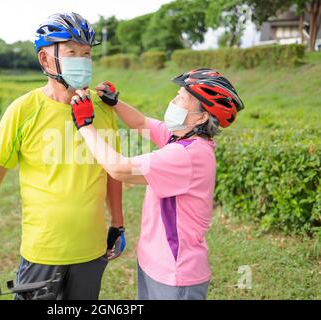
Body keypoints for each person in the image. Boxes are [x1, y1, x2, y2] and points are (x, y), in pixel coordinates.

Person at [0, 12, 126, 300]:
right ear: (45, 59)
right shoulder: (23, 109)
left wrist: (117, 224)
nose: (82, 60)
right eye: (72, 53)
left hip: (93, 251)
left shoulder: (103, 109)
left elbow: (112, 170)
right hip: (43, 250)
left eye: (86, 54)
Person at [70, 68, 244, 300]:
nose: (173, 101)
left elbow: (118, 168)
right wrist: (116, 103)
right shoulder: (183, 137)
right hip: (155, 262)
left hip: (175, 274)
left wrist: (85, 125)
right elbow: (141, 122)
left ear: (201, 117)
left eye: (181, 98)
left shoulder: (187, 155)